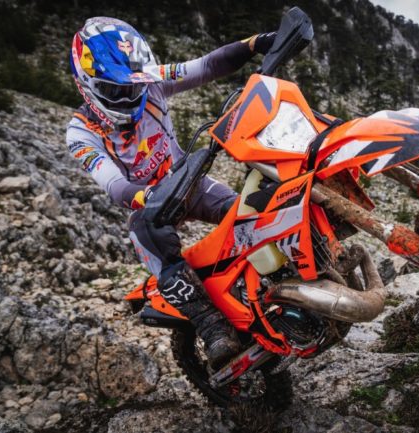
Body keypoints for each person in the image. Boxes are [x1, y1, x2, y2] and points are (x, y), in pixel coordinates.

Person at [66, 17, 276, 366]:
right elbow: (113, 184)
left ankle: (277, 285)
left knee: (248, 214)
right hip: (150, 204)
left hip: (188, 180)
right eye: (116, 90)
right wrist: (143, 196)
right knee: (146, 233)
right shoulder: (80, 132)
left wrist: (254, 44)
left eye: (133, 87)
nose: (129, 95)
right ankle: (212, 328)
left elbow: (207, 66)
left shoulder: (150, 82)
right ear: (86, 85)